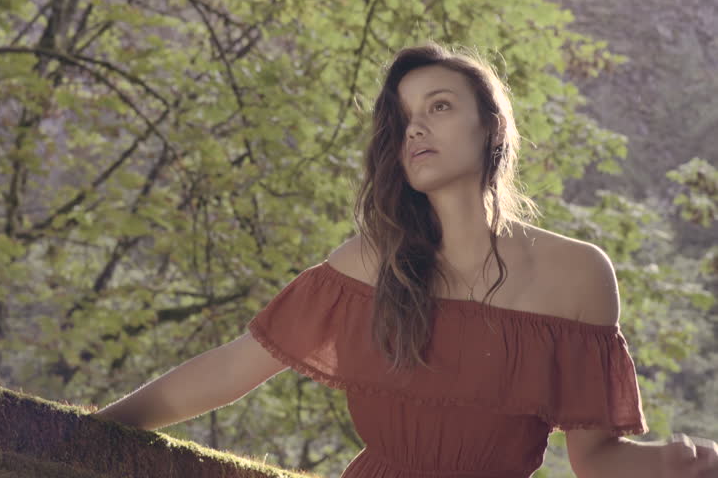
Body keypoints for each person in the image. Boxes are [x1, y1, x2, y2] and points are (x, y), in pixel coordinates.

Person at [92, 42, 718, 478]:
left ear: (492, 127)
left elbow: (597, 458)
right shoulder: (370, 266)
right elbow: (231, 367)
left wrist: (672, 463)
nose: (416, 129)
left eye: (439, 107)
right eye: (404, 119)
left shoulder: (580, 275)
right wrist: (81, 431)